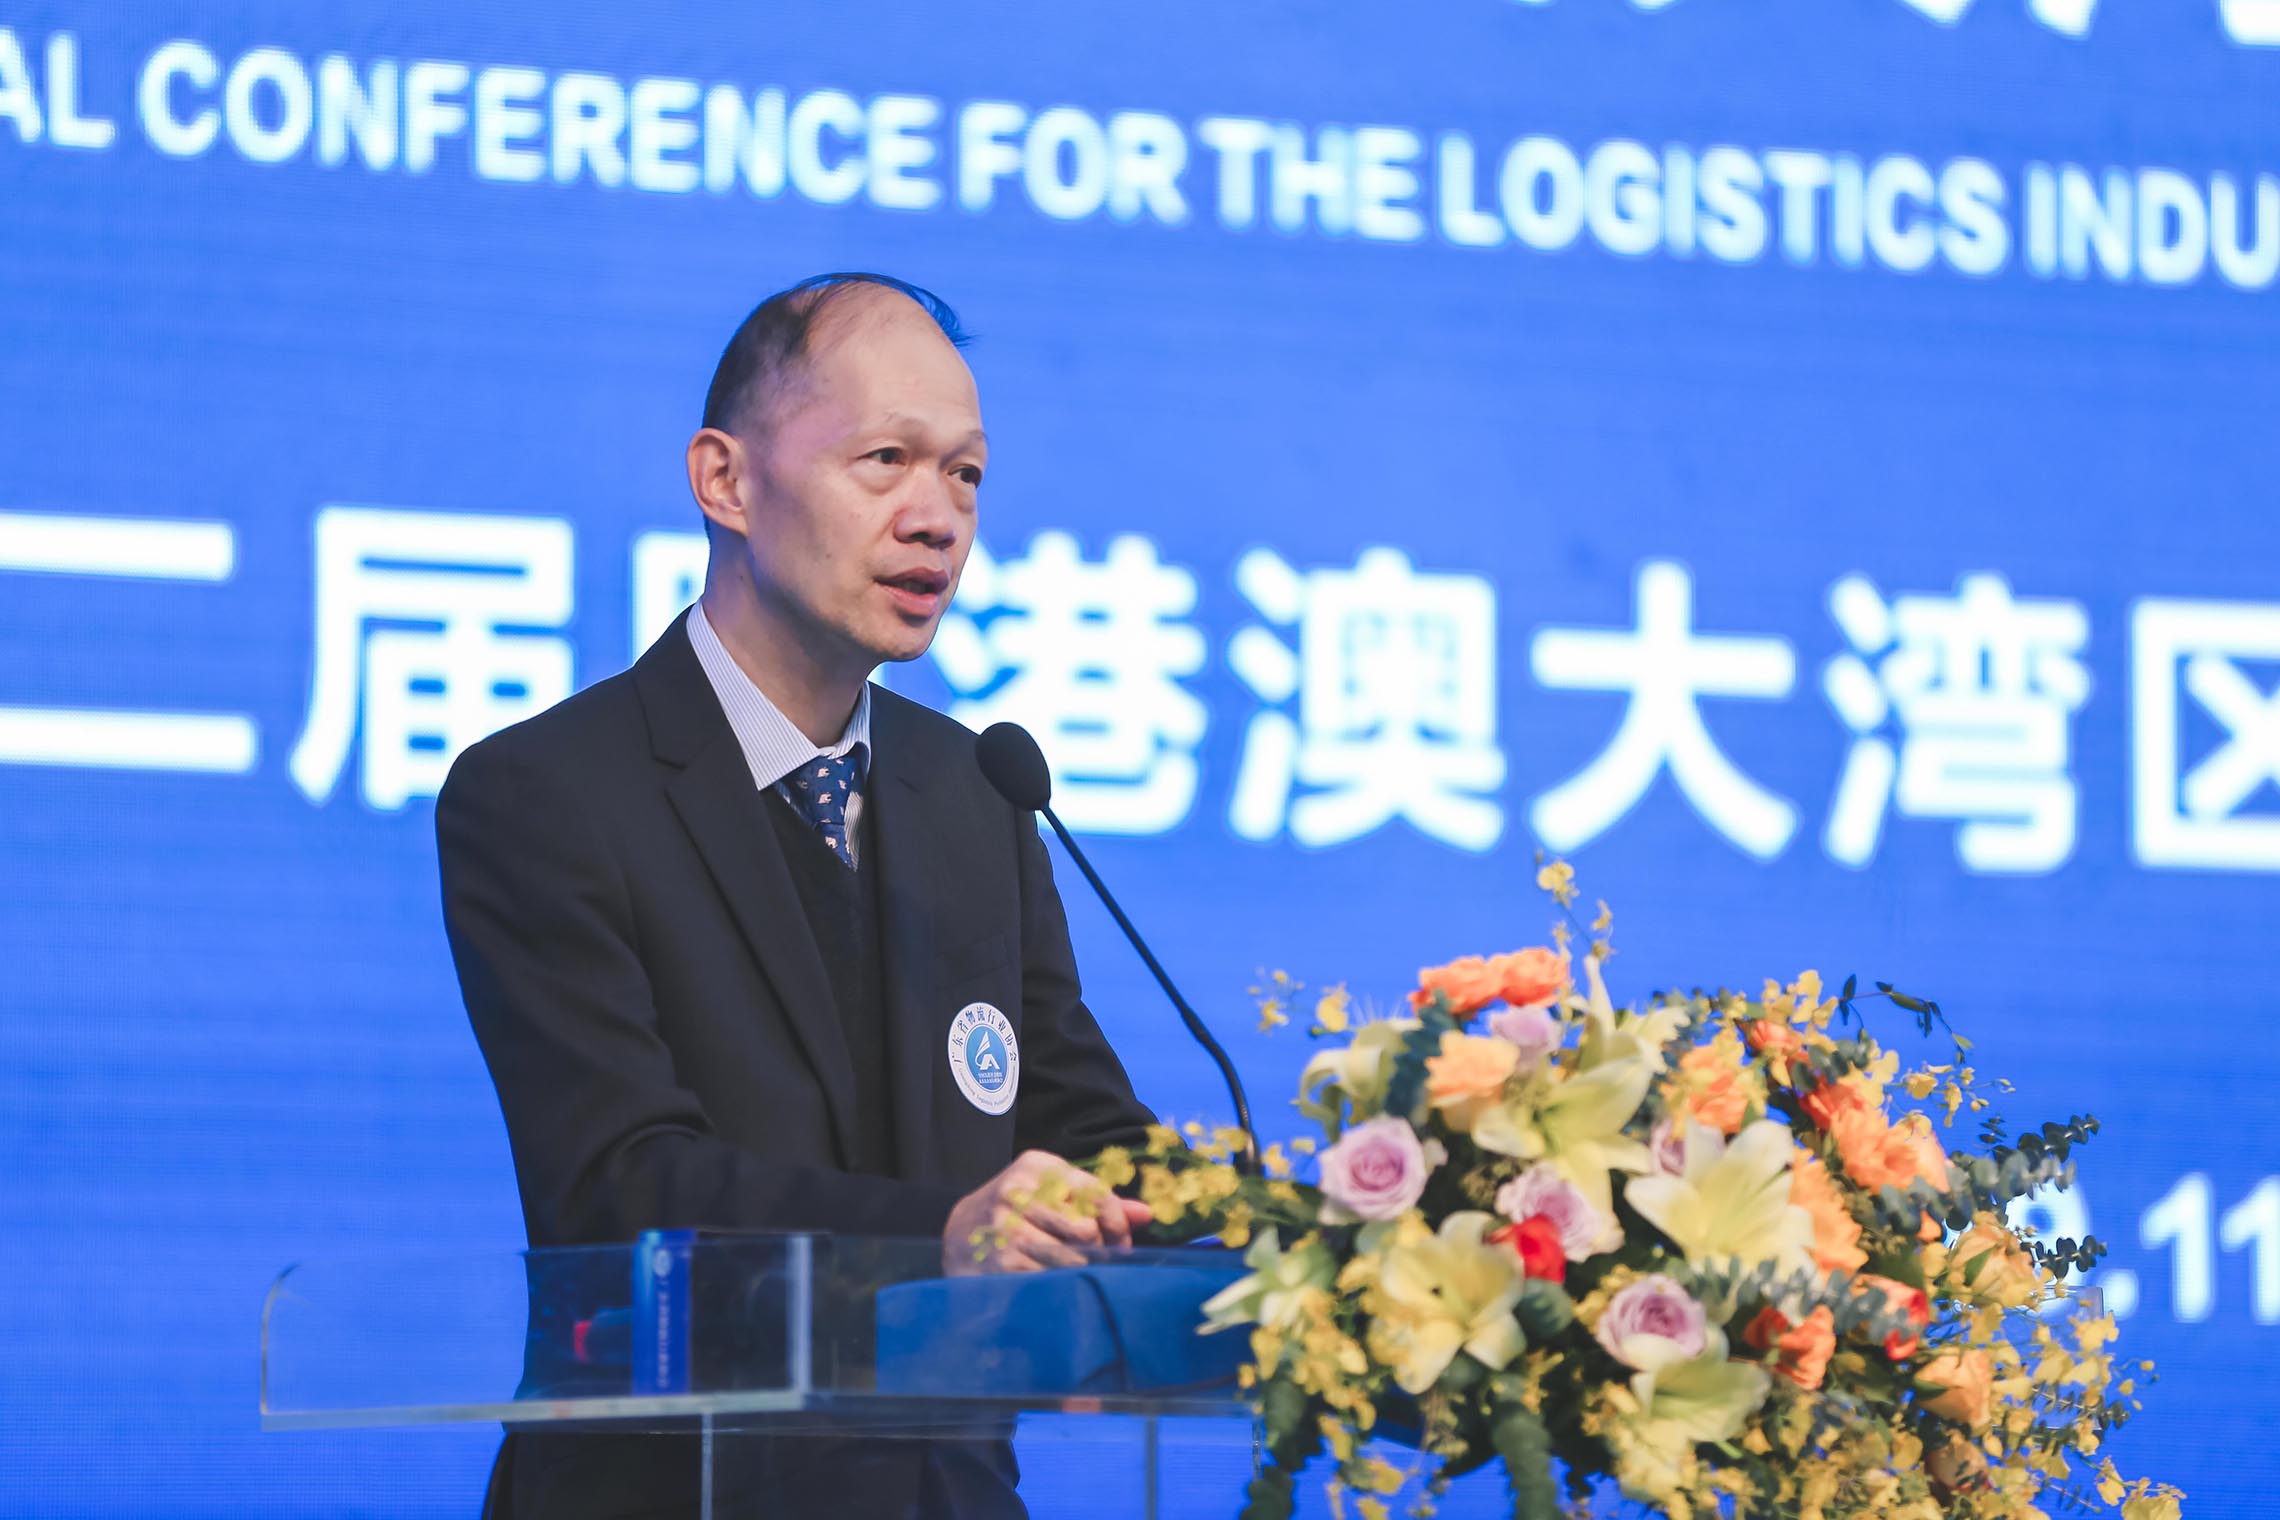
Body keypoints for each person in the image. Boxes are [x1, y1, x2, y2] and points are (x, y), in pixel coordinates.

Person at [436, 273, 1158, 1518]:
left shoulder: (976, 791)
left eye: (967, 475)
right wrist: (945, 1237)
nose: (937, 517)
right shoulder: (549, 792)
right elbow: (619, 1186)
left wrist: (1324, 1209)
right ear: (725, 480)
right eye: (887, 460)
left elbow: (1080, 1130)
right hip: (667, 1491)